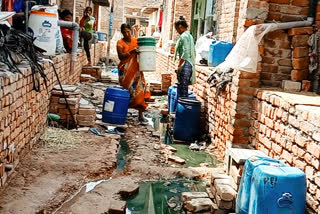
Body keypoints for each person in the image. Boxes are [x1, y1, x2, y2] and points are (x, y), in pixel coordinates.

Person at [116, 23, 150, 123]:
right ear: (122, 33)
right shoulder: (120, 43)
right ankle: (123, 114)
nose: (126, 34)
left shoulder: (136, 41)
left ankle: (140, 115)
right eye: (124, 32)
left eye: (128, 31)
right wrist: (131, 52)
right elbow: (120, 57)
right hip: (125, 71)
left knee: (139, 91)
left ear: (130, 31)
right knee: (127, 92)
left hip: (136, 70)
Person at [174, 16, 196, 98]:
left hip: (185, 64)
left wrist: (179, 66)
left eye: (177, 29)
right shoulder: (189, 36)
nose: (177, 31)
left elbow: (186, 53)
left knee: (183, 90)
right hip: (190, 63)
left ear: (180, 27)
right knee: (184, 88)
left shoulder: (183, 36)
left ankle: (182, 109)